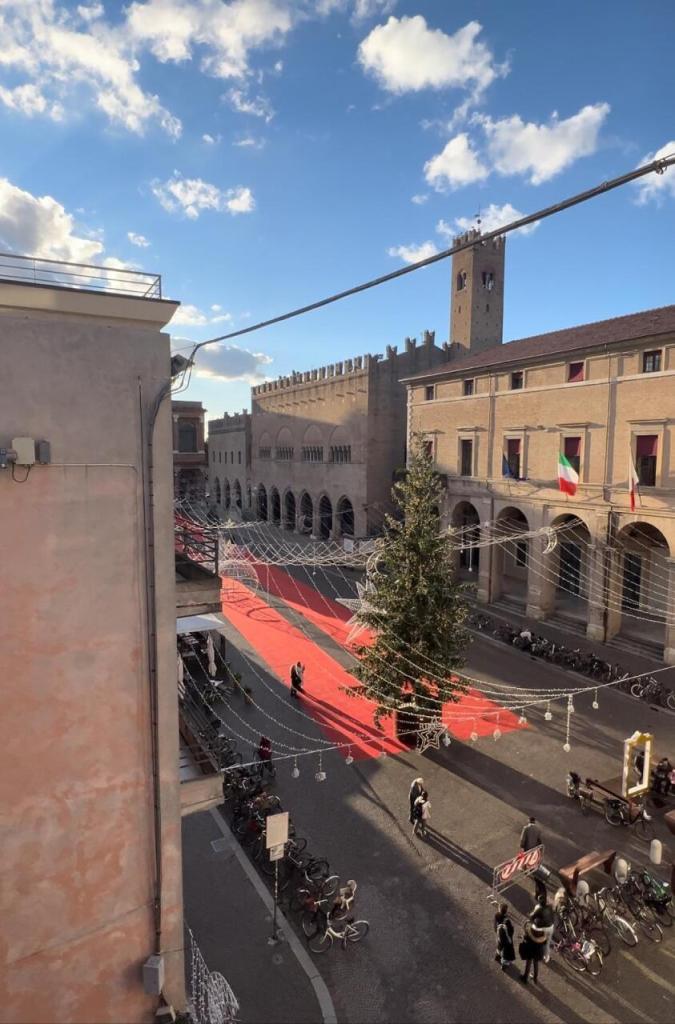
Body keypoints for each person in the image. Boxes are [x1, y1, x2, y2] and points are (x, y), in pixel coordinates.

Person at [519, 919, 546, 984]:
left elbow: (525, 938)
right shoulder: (543, 934)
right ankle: (535, 978)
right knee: (536, 964)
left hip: (530, 951)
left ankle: (525, 978)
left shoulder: (530, 934)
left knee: (528, 964)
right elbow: (545, 942)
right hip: (538, 952)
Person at [530, 896, 555, 963]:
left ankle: (538, 954)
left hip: (544, 928)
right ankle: (547, 958)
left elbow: (533, 916)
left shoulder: (539, 908)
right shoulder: (550, 907)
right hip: (551, 926)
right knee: (547, 943)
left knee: (539, 941)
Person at [494, 903, 516, 970]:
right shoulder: (507, 921)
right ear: (506, 911)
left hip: (499, 935)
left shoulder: (496, 915)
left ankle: (497, 957)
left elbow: (495, 925)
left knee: (499, 946)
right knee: (506, 952)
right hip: (506, 939)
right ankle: (504, 966)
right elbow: (511, 931)